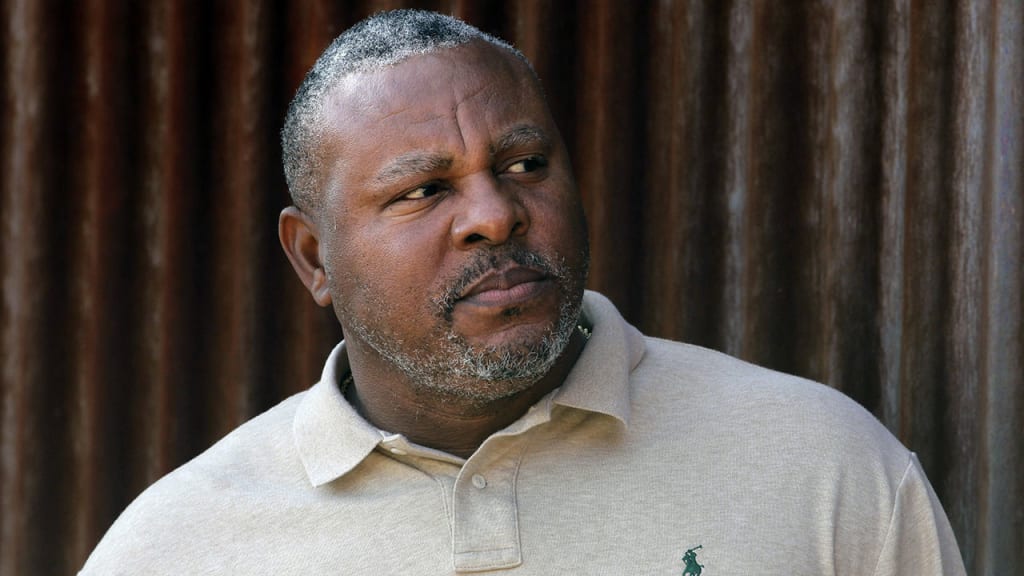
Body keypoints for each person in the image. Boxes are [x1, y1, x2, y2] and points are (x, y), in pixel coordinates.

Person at [81, 9, 966, 575]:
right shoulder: (178, 548)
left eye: (524, 164)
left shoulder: (822, 469)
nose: (494, 216)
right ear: (314, 258)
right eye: (424, 189)